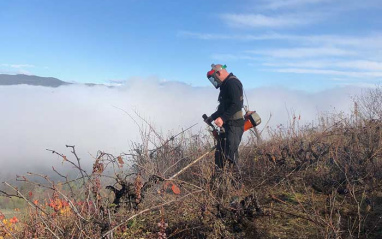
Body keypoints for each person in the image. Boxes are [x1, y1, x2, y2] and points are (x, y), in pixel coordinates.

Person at [205, 64, 245, 169]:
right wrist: (212, 117)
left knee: (231, 157)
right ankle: (220, 180)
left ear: (218, 73)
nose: (214, 81)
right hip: (227, 126)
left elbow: (237, 105)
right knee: (220, 155)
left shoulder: (233, 83)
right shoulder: (225, 85)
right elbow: (223, 107)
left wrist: (222, 118)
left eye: (214, 78)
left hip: (234, 126)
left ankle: (235, 183)